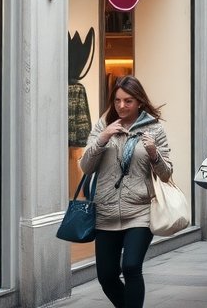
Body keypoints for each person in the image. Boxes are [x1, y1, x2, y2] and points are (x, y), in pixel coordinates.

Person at [80, 75, 174, 308]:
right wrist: (102, 139)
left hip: (139, 212)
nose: (121, 106)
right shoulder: (104, 125)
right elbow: (86, 167)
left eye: (128, 101)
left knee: (131, 266)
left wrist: (154, 153)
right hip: (105, 213)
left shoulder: (154, 128)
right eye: (117, 100)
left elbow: (166, 174)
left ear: (139, 101)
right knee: (106, 276)